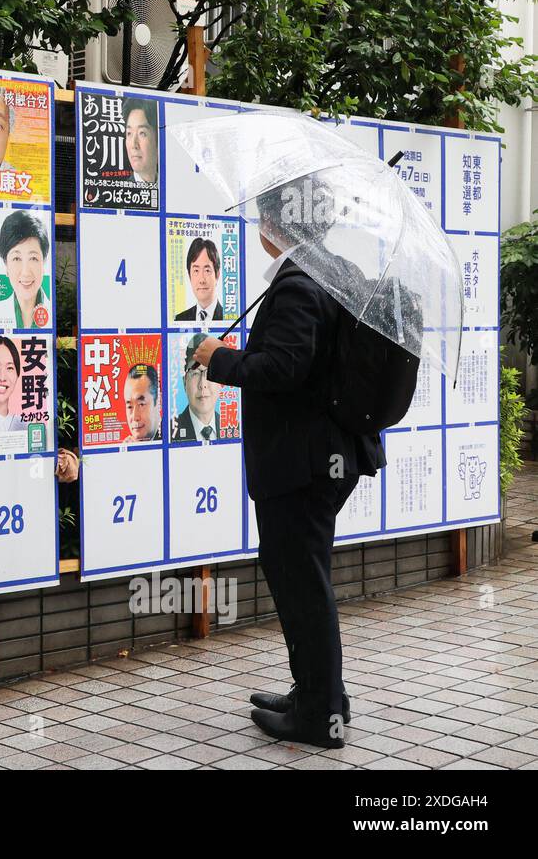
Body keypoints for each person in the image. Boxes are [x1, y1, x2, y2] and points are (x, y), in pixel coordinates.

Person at [193, 181, 384, 749]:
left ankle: (319, 713)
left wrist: (218, 359)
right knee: (304, 575)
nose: (258, 227)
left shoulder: (300, 284)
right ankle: (318, 695)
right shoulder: (330, 271)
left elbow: (284, 368)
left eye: (264, 217)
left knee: (302, 581)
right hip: (322, 458)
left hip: (303, 464)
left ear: (282, 226)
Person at [0, 211, 50, 329]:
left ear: (44, 262)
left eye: (33, 258)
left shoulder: (55, 315)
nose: (26, 272)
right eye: (16, 258)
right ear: (6, 264)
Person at [171, 334, 220, 442]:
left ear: (221, 382)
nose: (202, 384)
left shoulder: (233, 428)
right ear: (184, 383)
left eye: (209, 372)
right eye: (195, 374)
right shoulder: (169, 431)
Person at [174, 237, 224, 322]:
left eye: (207, 270)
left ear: (217, 275)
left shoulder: (229, 318)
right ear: (189, 276)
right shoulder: (180, 319)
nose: (202, 280)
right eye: (196, 271)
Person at [119, 97, 158, 188]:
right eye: (129, 133)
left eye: (142, 133)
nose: (133, 144)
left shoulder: (172, 187)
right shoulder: (119, 195)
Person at [122, 362, 162, 443]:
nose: (135, 417)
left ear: (159, 401)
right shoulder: (128, 445)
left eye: (141, 404)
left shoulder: (174, 435)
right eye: (129, 406)